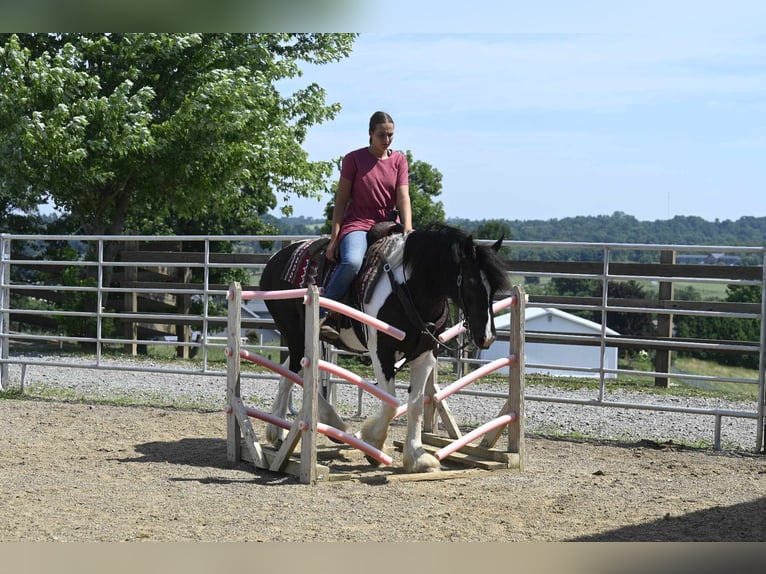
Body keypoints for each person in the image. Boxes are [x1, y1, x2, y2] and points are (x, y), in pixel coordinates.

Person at [319, 111, 413, 339]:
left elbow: (403, 198)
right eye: (382, 135)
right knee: (352, 261)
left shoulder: (399, 161)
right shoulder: (353, 159)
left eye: (391, 135)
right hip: (358, 222)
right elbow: (340, 201)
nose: (387, 140)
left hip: (389, 225)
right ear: (370, 134)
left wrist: (408, 229)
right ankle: (323, 313)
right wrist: (334, 239)